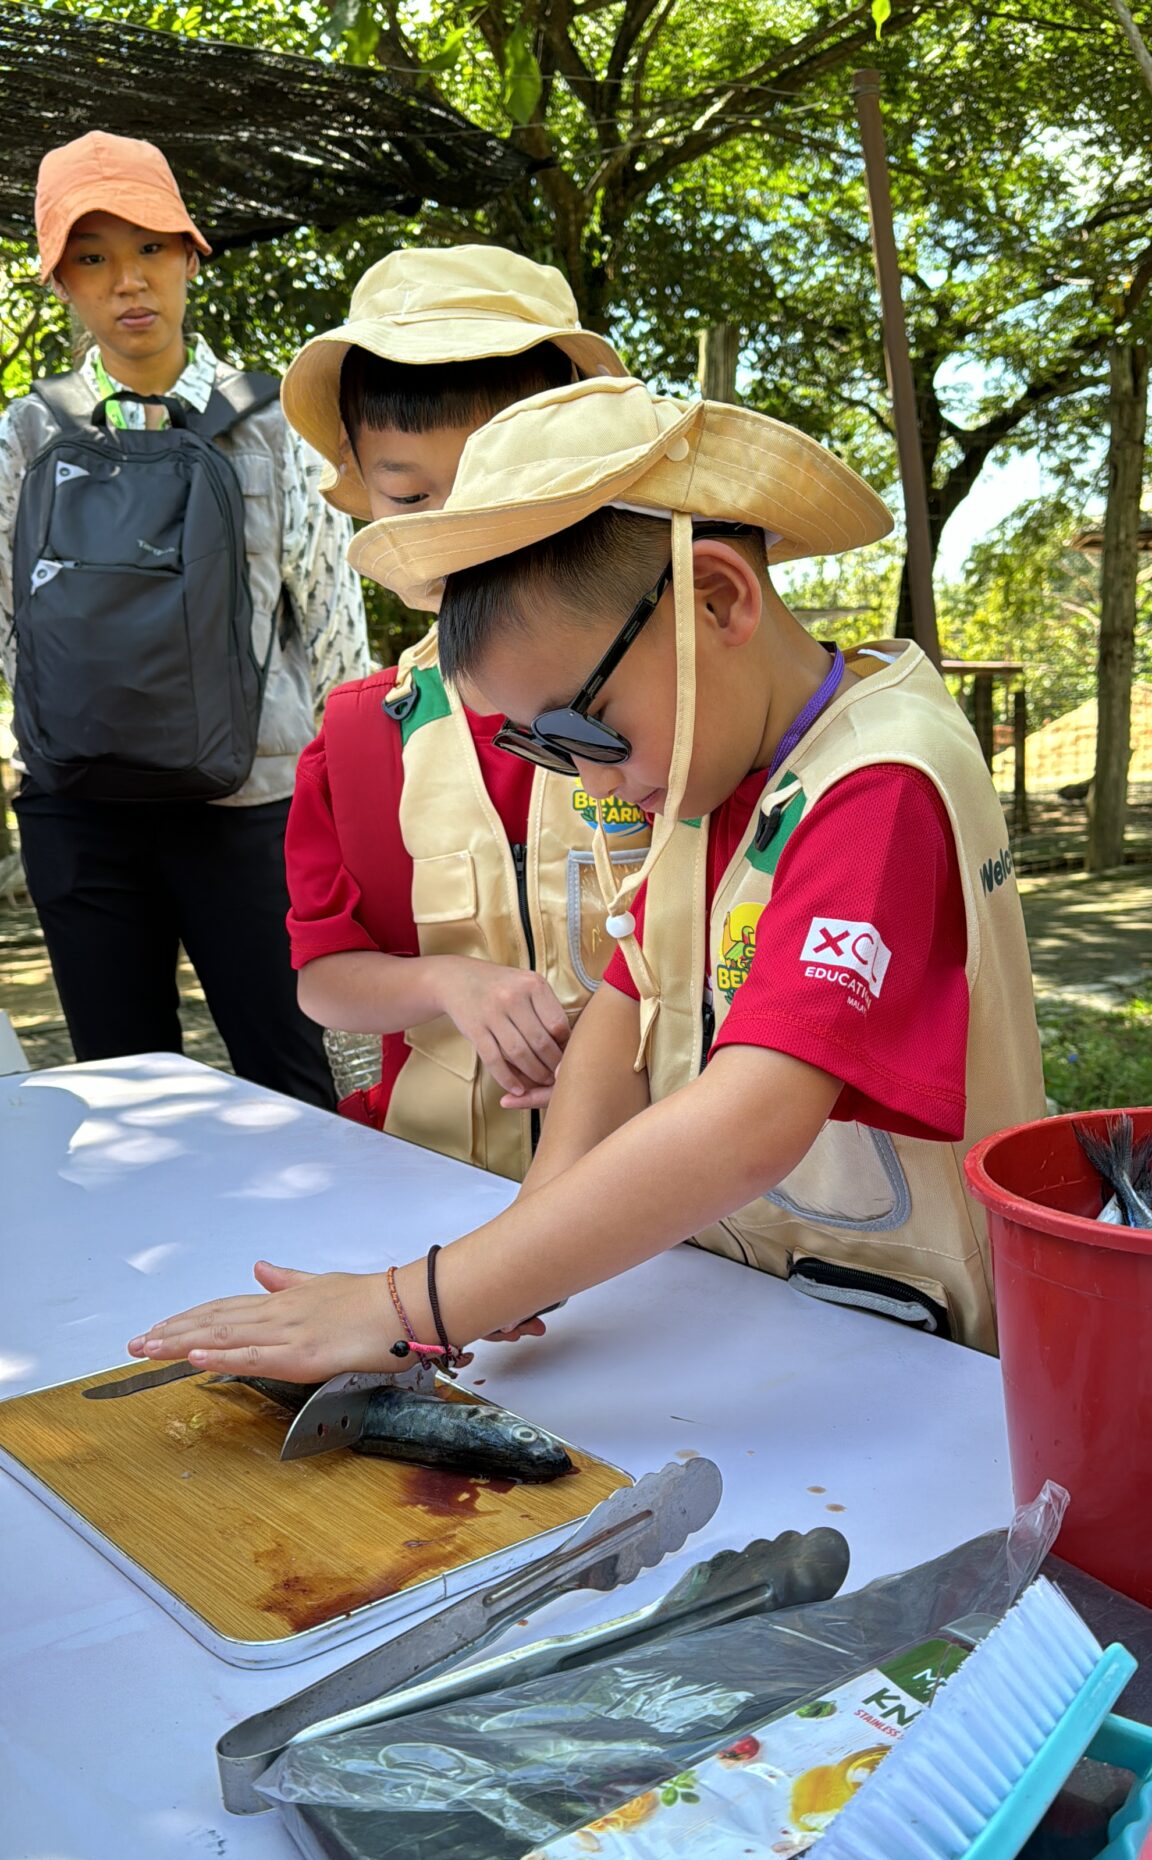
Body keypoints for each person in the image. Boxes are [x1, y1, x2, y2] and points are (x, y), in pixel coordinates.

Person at [126, 376, 1046, 1379]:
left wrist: (419, 1300)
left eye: (582, 728)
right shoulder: (719, 770)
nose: (591, 778)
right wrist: (535, 1233)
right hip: (773, 1314)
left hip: (919, 1357)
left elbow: (753, 1117)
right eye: (543, 747)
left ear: (716, 598)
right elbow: (629, 990)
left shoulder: (879, 780)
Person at [0, 131, 370, 1107]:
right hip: (80, 814)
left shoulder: (276, 422)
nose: (127, 280)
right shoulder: (21, 434)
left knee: (298, 1090)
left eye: (150, 247)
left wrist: (352, 807)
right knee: (124, 1099)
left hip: (250, 813)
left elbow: (332, 629)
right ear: (60, 283)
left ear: (192, 255)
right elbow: (13, 627)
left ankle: (320, 1268)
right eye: (92, 256)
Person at [278, 248, 649, 1178]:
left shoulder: (678, 714)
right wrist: (447, 980)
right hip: (431, 1178)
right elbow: (325, 976)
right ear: (361, 490)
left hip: (664, 1198)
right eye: (411, 496)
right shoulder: (362, 735)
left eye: (500, 489)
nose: (458, 536)